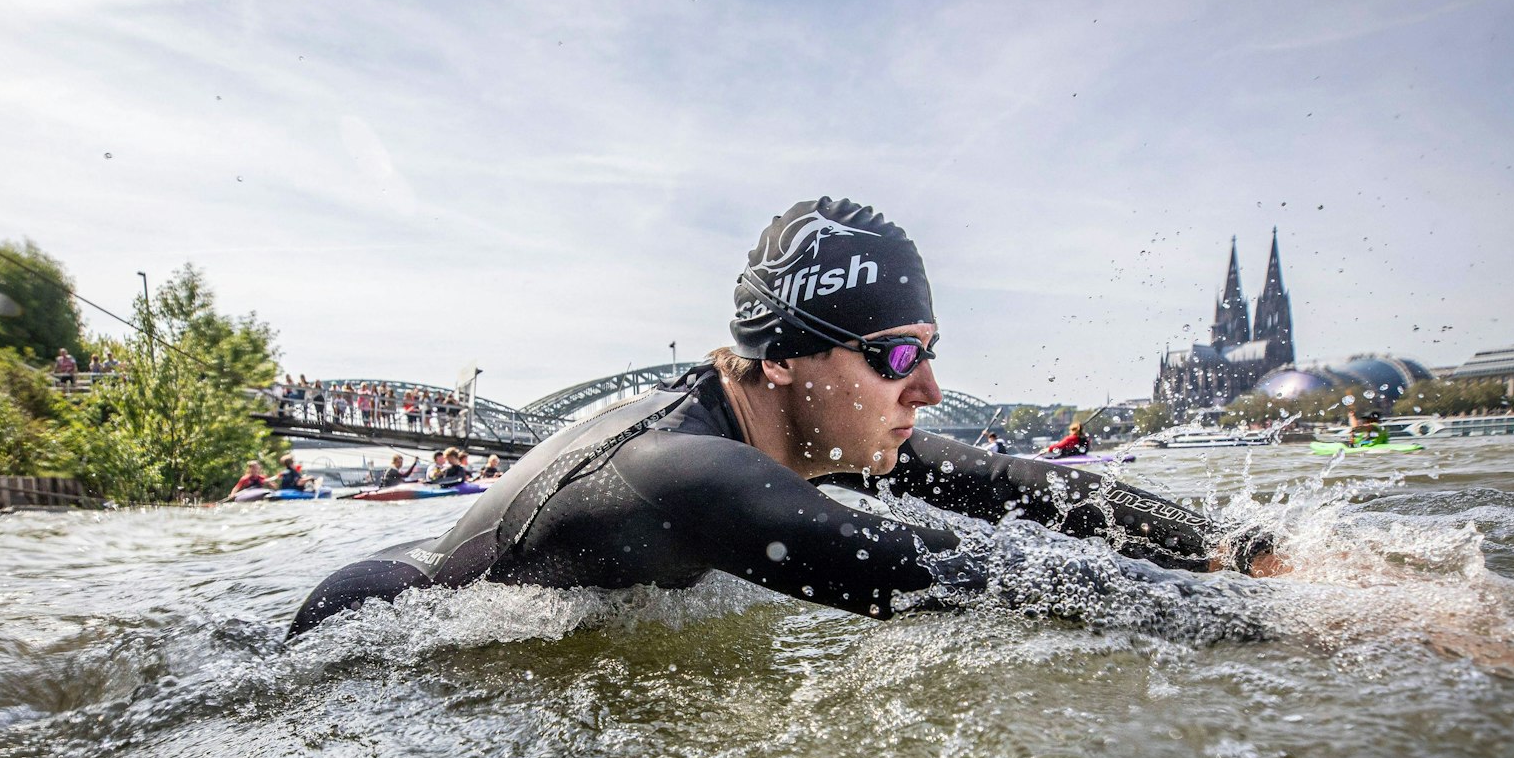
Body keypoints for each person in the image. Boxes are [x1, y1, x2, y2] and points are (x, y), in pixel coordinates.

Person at [292, 196, 1282, 637]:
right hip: (382, 631)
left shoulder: (794, 427)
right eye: (896, 357)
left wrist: (1243, 551)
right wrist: (1297, 625)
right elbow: (959, 573)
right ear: (785, 357)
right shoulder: (684, 472)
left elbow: (1017, 491)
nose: (929, 390)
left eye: (930, 352)